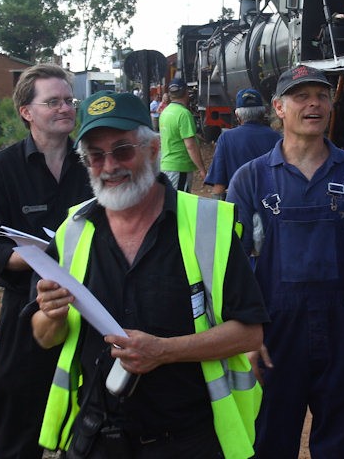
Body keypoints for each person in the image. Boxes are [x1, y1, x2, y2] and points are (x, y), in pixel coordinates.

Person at [30, 91, 268, 458]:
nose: (109, 166)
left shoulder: (210, 225)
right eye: (95, 155)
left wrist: (165, 351)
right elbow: (45, 338)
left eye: (122, 150)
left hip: (187, 440)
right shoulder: (72, 231)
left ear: (153, 149)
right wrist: (51, 314)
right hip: (96, 438)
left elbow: (250, 330)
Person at [227, 65, 344, 459]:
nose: (314, 104)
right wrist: (246, 335)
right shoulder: (250, 180)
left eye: (321, 96)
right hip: (274, 336)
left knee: (339, 444)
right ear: (279, 107)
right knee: (269, 442)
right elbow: (229, 265)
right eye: (301, 96)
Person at [0, 65, 93, 459]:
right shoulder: (4, 168)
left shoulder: (93, 162)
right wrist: (41, 258)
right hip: (27, 308)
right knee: (16, 415)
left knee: (93, 419)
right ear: (26, 111)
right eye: (53, 102)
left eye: (68, 101)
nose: (65, 108)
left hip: (94, 307)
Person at [204, 88, 281, 200]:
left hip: (238, 204)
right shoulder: (276, 137)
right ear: (262, 112)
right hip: (271, 204)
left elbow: (219, 185)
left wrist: (218, 211)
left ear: (237, 115)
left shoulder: (226, 138)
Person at [159, 77, 207, 192]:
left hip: (166, 165)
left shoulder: (165, 112)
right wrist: (202, 169)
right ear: (186, 92)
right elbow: (190, 146)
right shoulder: (184, 114)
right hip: (180, 167)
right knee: (179, 204)